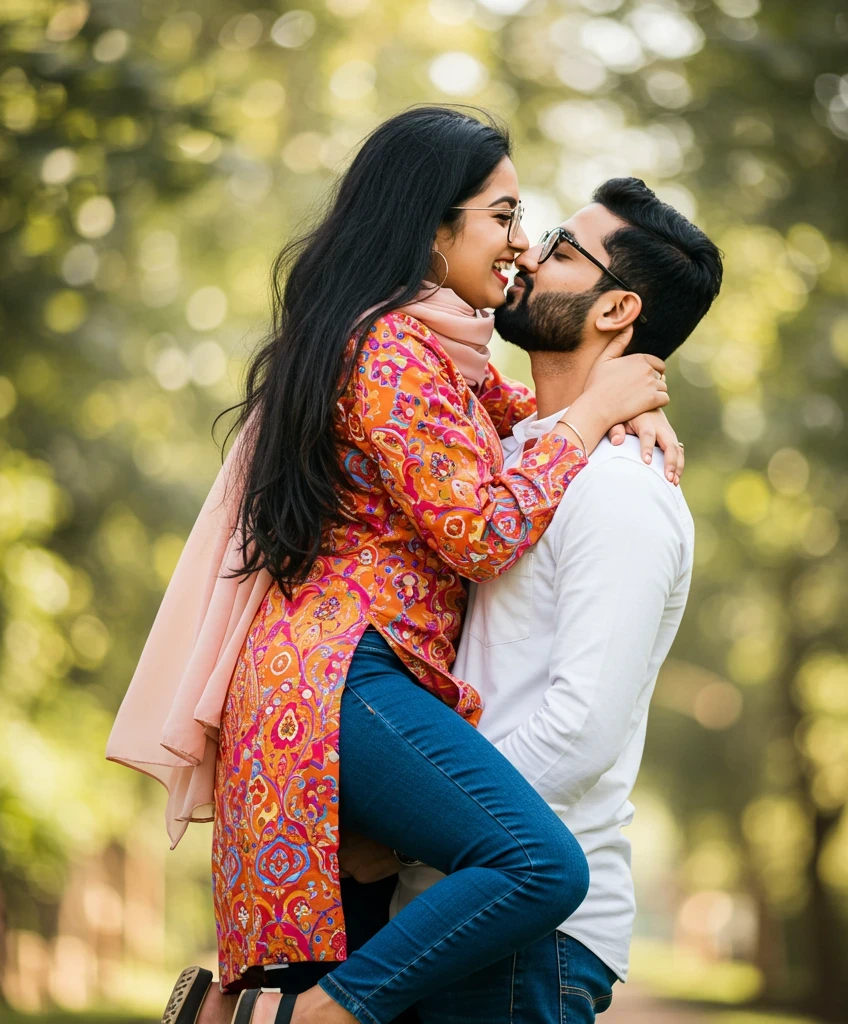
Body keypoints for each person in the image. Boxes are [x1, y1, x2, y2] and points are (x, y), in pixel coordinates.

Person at [109, 107, 684, 1024]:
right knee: (535, 864)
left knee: (348, 936)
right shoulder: (388, 348)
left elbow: (526, 423)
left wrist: (627, 399)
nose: (520, 244)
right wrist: (593, 413)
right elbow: (485, 530)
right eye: (503, 216)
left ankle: (261, 1009)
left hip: (348, 676)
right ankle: (296, 1022)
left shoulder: (431, 352)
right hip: (345, 667)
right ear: (432, 224)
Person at [335, 177, 723, 1023]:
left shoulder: (623, 491)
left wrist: (412, 831)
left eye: (559, 250)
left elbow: (577, 731)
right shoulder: (521, 459)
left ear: (616, 310)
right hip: (455, 905)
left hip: (531, 935)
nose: (526, 253)